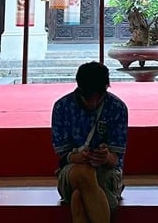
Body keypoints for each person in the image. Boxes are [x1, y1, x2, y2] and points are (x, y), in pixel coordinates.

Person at [51, 61, 128, 223]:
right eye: (88, 97)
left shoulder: (117, 108)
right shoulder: (62, 107)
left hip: (106, 172)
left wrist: (105, 157)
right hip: (73, 172)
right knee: (84, 172)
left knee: (78, 198)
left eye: (98, 97)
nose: (93, 102)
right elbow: (62, 158)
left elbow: (116, 159)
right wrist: (75, 157)